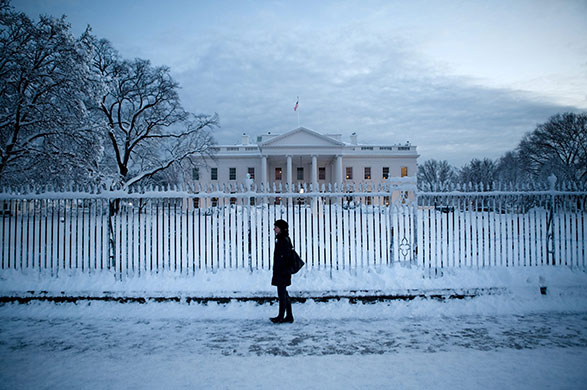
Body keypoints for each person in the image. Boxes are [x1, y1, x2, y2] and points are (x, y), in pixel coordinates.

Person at [270, 219, 294, 323]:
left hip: (282, 271)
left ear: (281, 228)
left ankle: (281, 316)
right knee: (284, 293)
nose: (274, 229)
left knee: (282, 293)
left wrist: (281, 269)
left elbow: (285, 256)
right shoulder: (282, 238)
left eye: (276, 227)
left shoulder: (283, 239)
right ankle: (288, 315)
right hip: (282, 270)